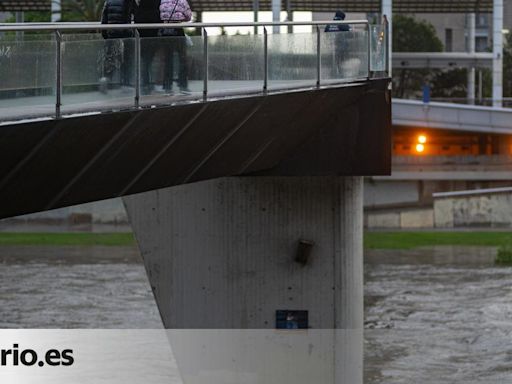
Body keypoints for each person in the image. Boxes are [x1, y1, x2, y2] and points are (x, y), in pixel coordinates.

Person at [100, 0, 135, 92]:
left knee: (110, 58)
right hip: (125, 34)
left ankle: (106, 79)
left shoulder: (109, 1)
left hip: (112, 33)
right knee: (127, 59)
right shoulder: (129, 2)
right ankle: (125, 82)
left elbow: (104, 20)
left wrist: (105, 34)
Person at [159, 0, 192, 94]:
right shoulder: (181, 1)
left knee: (168, 60)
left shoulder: (163, 1)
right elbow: (189, 16)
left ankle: (167, 86)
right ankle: (182, 85)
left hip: (166, 32)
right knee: (182, 58)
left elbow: (160, 15)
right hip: (177, 30)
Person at [134, 0, 161, 93]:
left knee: (145, 60)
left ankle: (145, 83)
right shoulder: (156, 6)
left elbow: (136, 19)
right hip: (153, 36)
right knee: (149, 60)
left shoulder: (141, 7)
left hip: (142, 37)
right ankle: (148, 83)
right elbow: (159, 19)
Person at [324, 11, 350, 78]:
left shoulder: (329, 24)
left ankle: (332, 75)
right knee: (340, 62)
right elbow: (350, 33)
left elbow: (325, 34)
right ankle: (341, 75)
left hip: (330, 48)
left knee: (333, 62)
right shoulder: (343, 24)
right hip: (341, 49)